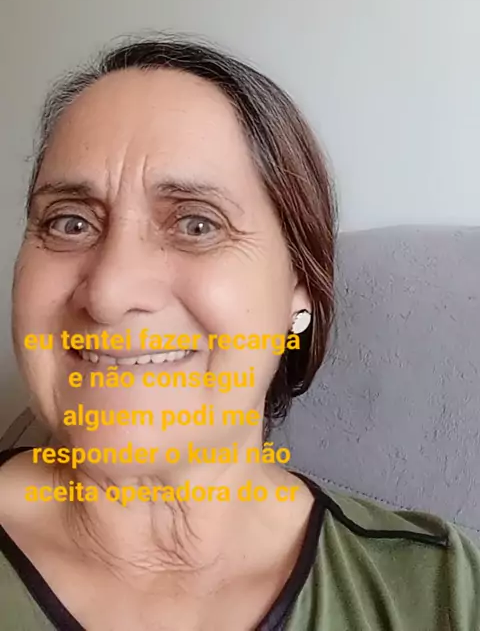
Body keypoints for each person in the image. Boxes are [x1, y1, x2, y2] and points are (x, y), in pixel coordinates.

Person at [0, 34, 479, 631]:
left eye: (197, 224)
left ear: (300, 292)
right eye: (70, 222)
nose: (109, 292)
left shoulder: (444, 589)